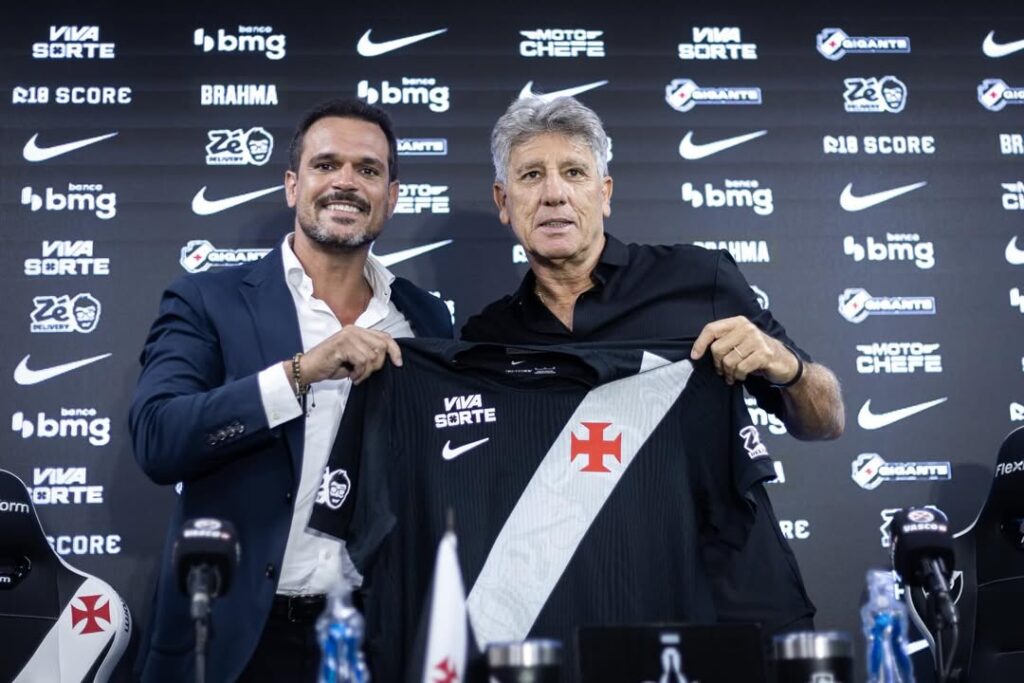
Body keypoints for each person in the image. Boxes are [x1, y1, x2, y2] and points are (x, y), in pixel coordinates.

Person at [462, 95, 845, 643]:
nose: (554, 193)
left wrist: (786, 367)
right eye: (531, 175)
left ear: (604, 193)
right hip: (589, 616)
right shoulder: (488, 339)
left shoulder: (699, 278)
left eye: (574, 172)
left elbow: (826, 419)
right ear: (504, 200)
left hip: (734, 601)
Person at [129, 99, 453, 683]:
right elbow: (159, 438)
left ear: (393, 195)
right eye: (326, 165)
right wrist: (299, 373)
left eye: (368, 170)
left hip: (375, 634)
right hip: (238, 640)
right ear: (291, 185)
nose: (346, 183)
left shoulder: (424, 318)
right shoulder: (209, 300)